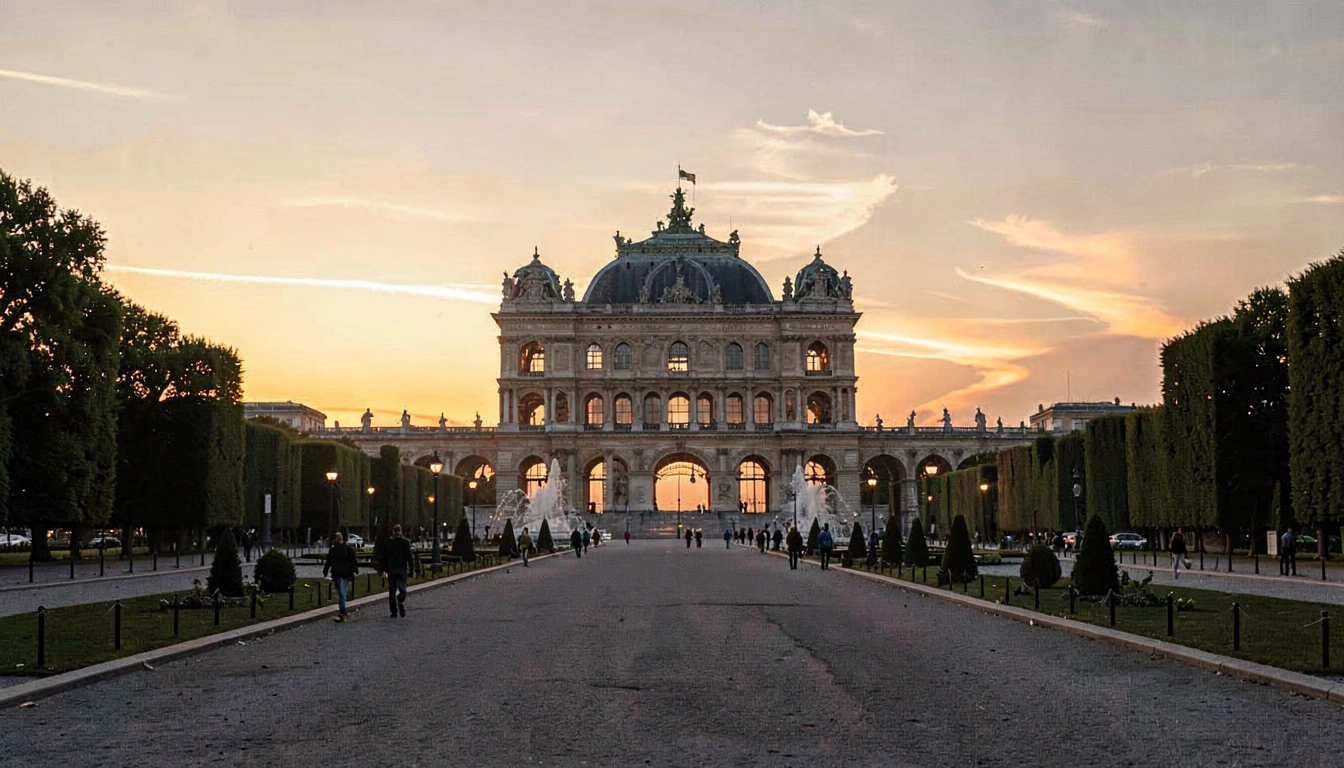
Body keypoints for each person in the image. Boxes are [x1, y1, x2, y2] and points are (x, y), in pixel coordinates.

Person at [379, 524, 414, 618]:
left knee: (392, 591)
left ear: (393, 531)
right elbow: (409, 557)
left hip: (391, 569)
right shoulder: (405, 542)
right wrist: (411, 569)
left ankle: (393, 612)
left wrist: (383, 569)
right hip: (402, 568)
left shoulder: (388, 542)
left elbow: (384, 557)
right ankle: (400, 600)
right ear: (401, 531)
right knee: (403, 588)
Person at [322, 532, 359, 622]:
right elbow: (354, 560)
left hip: (336, 573)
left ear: (335, 540)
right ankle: (343, 612)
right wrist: (355, 570)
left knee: (341, 593)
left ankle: (343, 613)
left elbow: (328, 562)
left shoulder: (333, 550)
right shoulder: (348, 549)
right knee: (342, 593)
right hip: (346, 574)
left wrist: (325, 572)